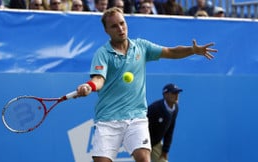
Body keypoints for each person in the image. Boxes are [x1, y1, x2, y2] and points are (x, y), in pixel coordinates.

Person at [75, 7, 217, 162]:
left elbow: (170, 52)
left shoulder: (141, 47)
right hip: (109, 118)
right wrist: (89, 86)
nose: (120, 28)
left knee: (144, 158)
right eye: (114, 26)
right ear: (106, 31)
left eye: (122, 23)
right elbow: (99, 79)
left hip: (136, 117)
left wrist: (192, 50)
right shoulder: (102, 54)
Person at [147, 83, 183, 162]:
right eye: (173, 93)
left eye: (177, 93)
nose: (176, 96)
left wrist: (165, 150)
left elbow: (170, 129)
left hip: (156, 143)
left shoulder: (175, 108)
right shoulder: (154, 108)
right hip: (143, 141)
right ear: (165, 95)